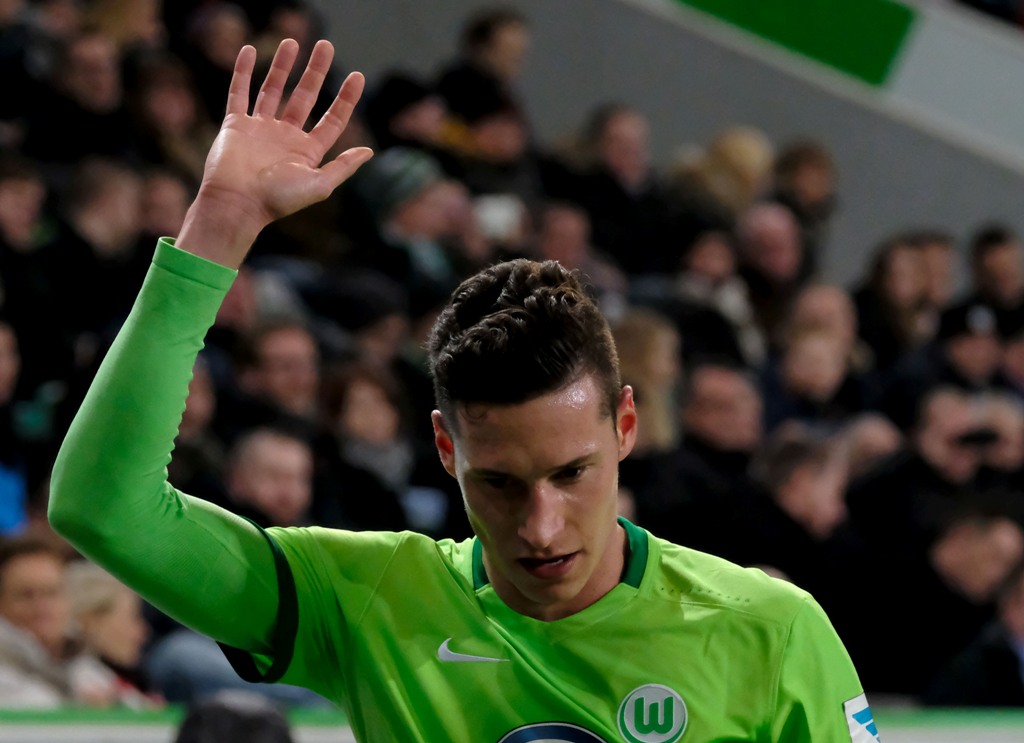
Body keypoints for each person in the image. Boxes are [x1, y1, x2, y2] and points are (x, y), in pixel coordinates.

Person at [48, 38, 875, 741]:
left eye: (570, 473)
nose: (541, 527)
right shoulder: (369, 599)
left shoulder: (771, 628)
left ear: (627, 426)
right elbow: (103, 506)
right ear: (446, 448)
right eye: (501, 482)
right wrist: (219, 223)